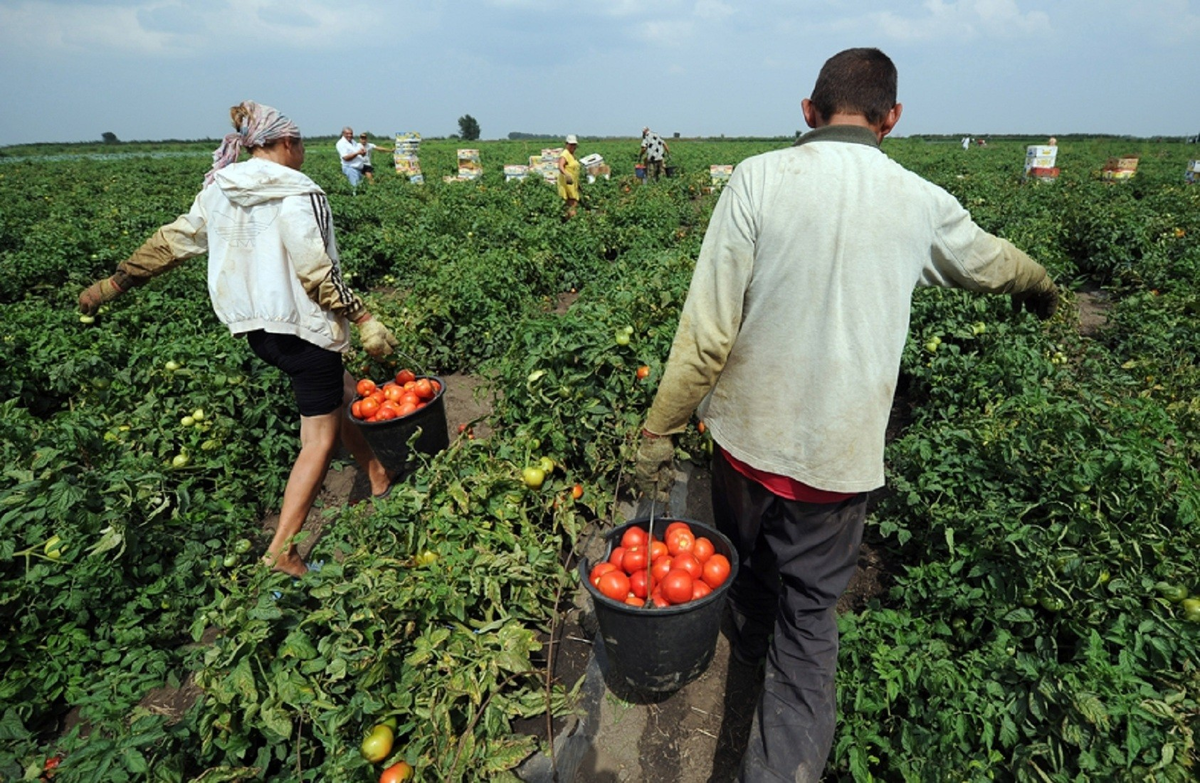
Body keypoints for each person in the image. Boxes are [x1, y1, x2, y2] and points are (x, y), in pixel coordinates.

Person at [632, 48, 1058, 782]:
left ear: (808, 110)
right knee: (809, 630)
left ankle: (748, 624)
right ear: (891, 119)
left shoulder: (757, 180)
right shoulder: (919, 200)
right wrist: (1039, 282)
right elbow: (992, 262)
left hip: (741, 447)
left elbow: (705, 337)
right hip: (835, 468)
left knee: (748, 558)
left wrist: (658, 426)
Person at [78, 101, 402, 578]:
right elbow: (317, 272)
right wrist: (365, 316)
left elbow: (172, 242)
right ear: (287, 143)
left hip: (255, 329)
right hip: (302, 328)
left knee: (343, 389)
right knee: (318, 437)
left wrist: (114, 283)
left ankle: (375, 472)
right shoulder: (297, 192)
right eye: (302, 143)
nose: (305, 152)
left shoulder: (221, 188)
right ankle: (283, 550)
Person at [557, 134, 581, 219]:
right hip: (567, 183)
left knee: (572, 203)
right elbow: (560, 166)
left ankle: (568, 220)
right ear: (566, 144)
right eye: (571, 144)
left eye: (574, 145)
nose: (573, 146)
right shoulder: (565, 154)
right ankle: (572, 221)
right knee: (572, 203)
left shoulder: (572, 154)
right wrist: (566, 174)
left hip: (573, 183)